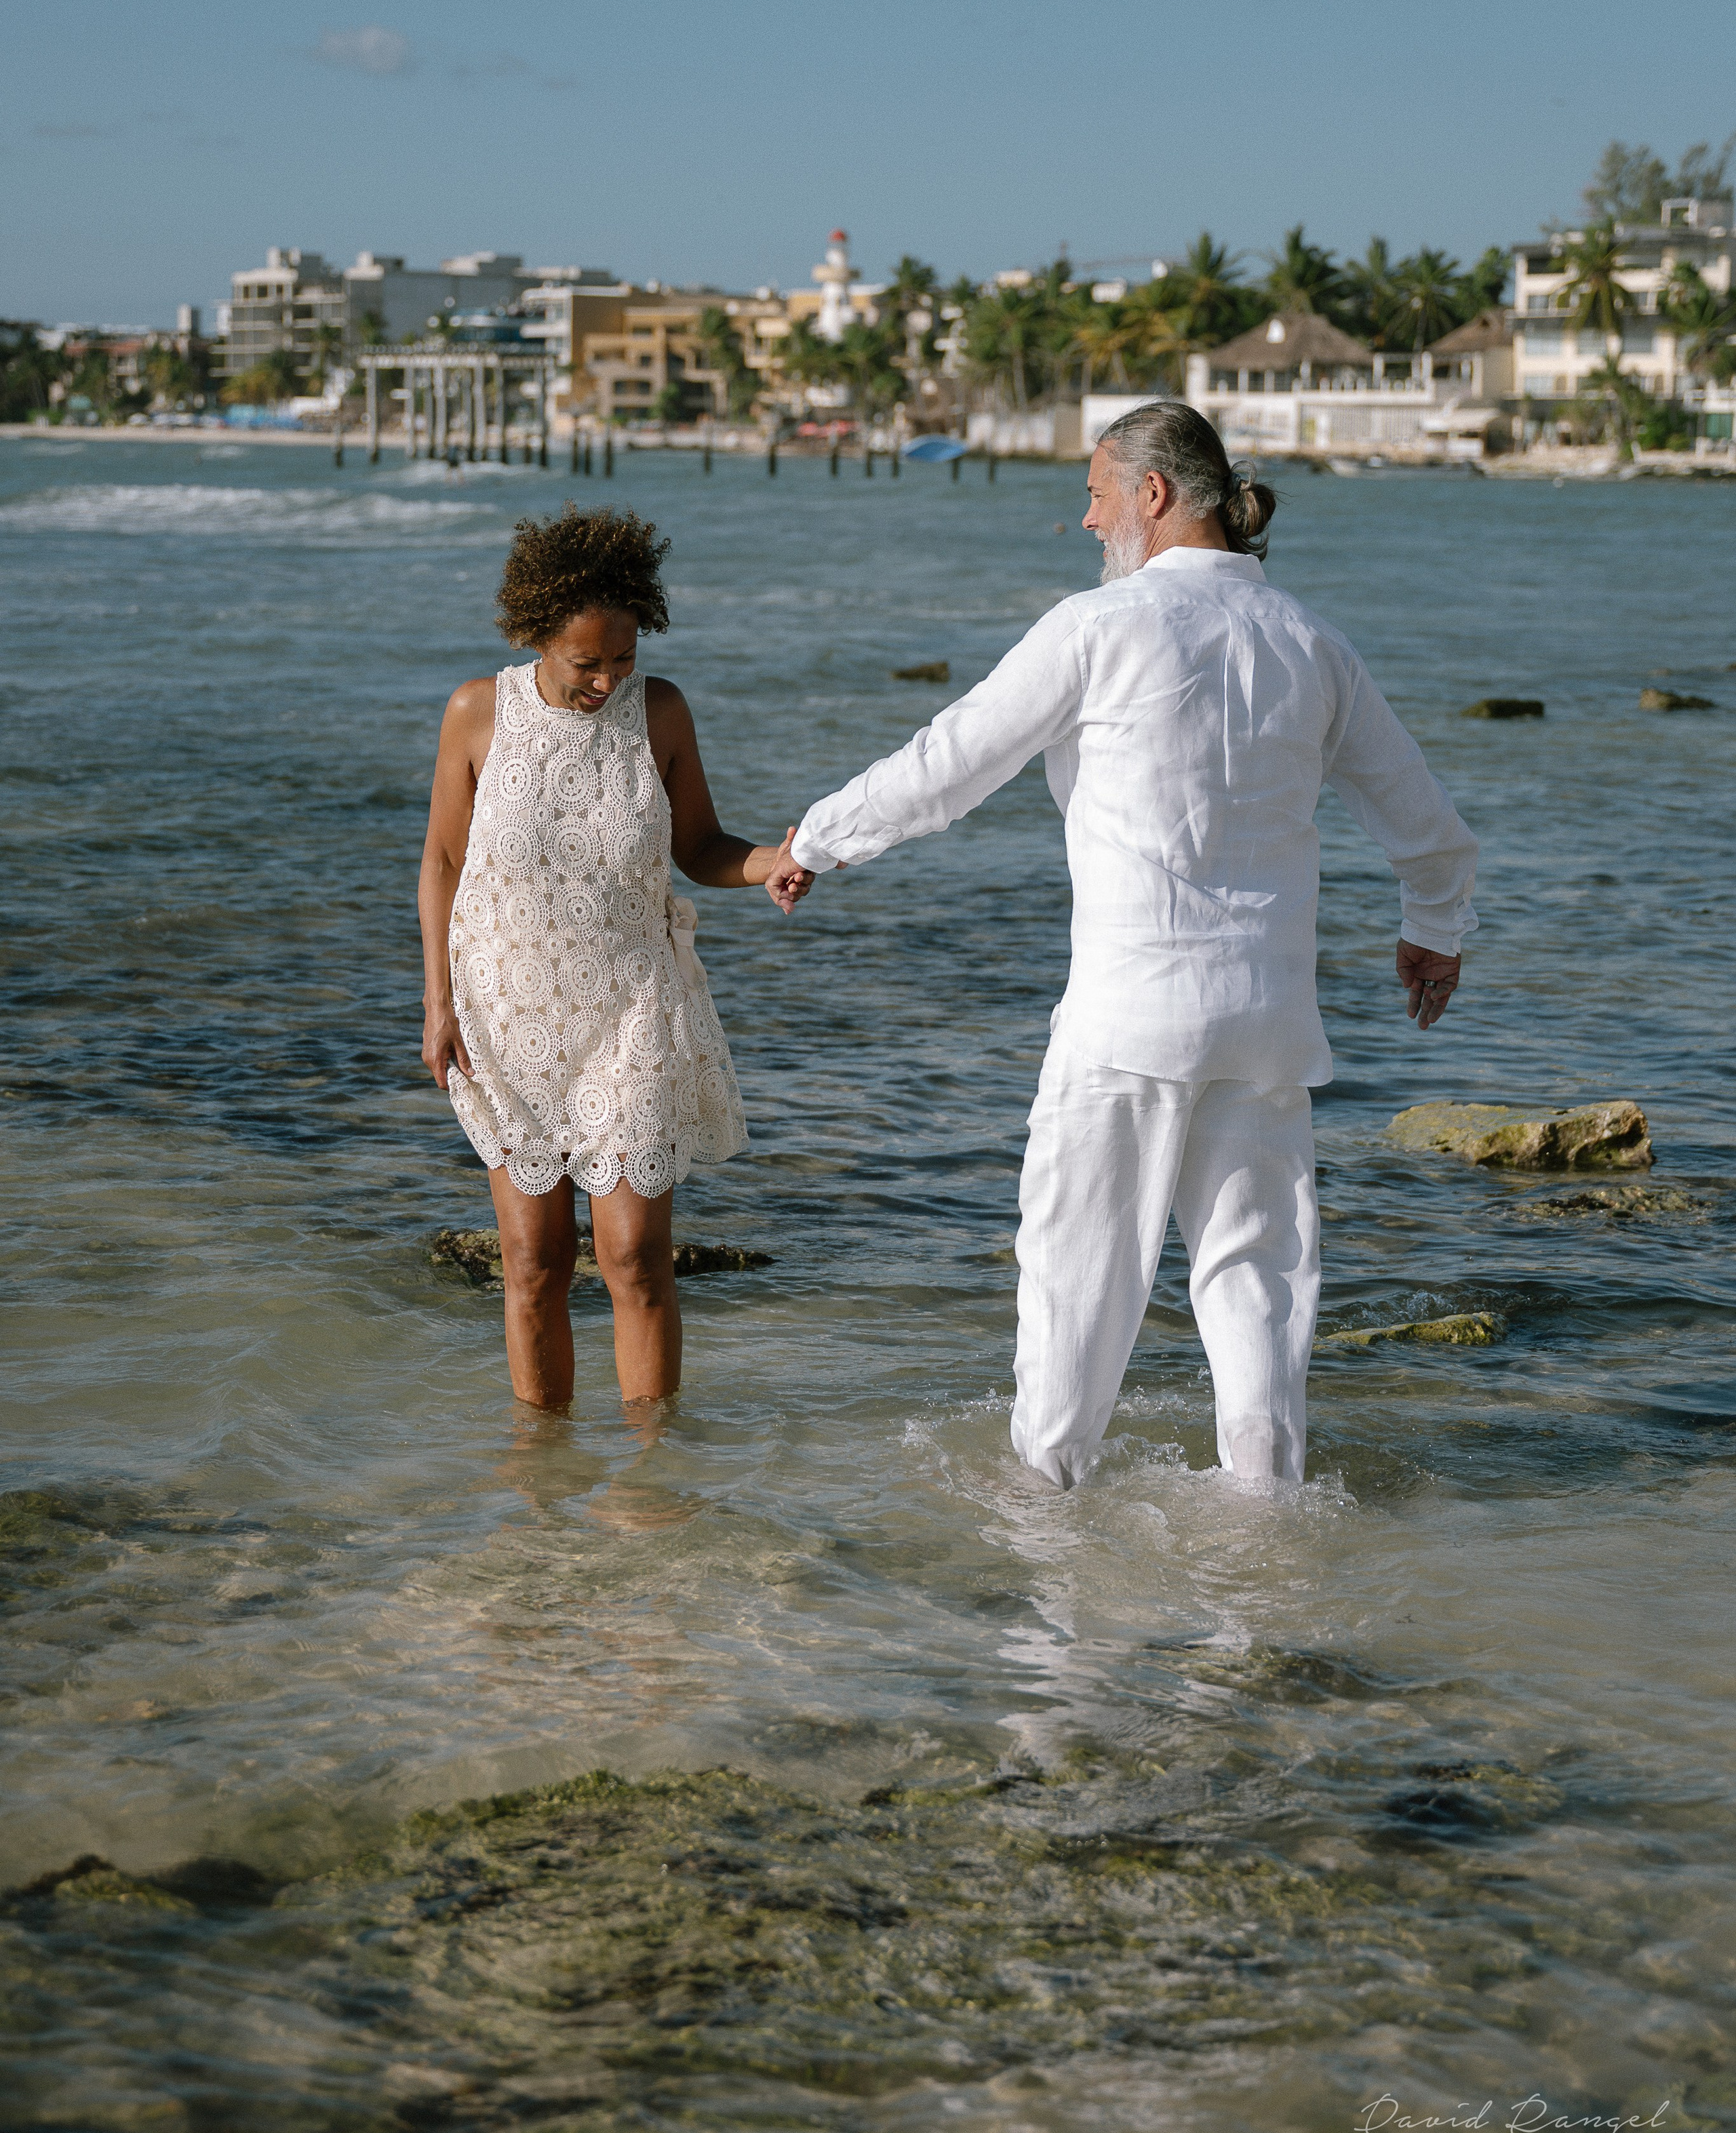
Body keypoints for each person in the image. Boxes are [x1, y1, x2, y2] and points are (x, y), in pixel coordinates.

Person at [786, 401, 1478, 1491]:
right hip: (1267, 1027)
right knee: (1257, 1290)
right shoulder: (1310, 641)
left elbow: (950, 762)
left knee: (1078, 1284)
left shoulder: (1097, 628)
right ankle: (1267, 1541)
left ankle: (1050, 1565)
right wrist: (1433, 932)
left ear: (1153, 495)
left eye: (1097, 492)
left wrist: (817, 841)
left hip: (1130, 1017)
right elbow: (1426, 822)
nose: (1085, 516)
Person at [419, 505, 810, 1412]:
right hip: (506, 1017)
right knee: (534, 1263)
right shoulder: (478, 713)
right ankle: (541, 1479)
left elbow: (704, 845)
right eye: (586, 662)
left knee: (634, 1255)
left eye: (623, 657)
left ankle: (653, 1476)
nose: (608, 679)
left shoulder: (659, 712)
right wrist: (438, 1003)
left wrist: (773, 867)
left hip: (631, 1013)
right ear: (538, 635)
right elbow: (442, 860)